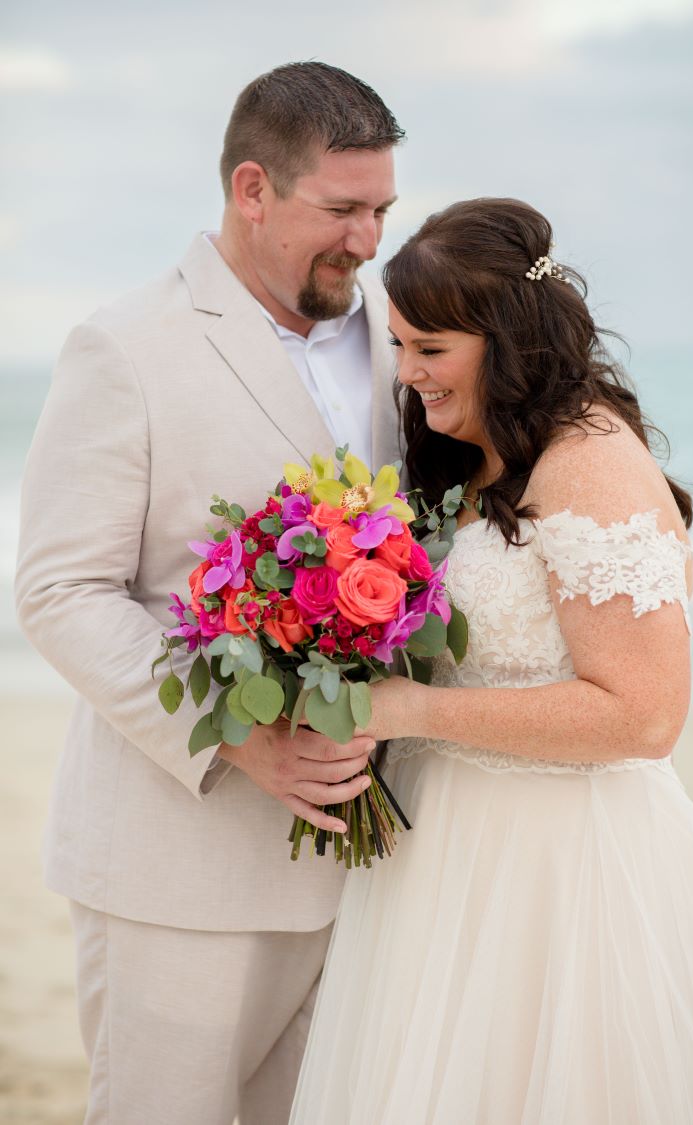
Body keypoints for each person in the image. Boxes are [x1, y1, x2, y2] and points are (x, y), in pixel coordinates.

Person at [290, 198, 693, 1124]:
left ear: (503, 338)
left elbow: (645, 715)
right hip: (444, 856)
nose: (408, 373)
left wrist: (408, 711)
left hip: (561, 870)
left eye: (430, 348)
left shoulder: (589, 459)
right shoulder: (482, 455)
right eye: (401, 344)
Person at [15, 62, 403, 1124]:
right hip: (175, 873)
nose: (367, 242)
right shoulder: (125, 348)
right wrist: (238, 736)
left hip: (378, 876)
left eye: (382, 211)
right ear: (251, 188)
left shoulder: (402, 341)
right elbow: (61, 591)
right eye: (342, 210)